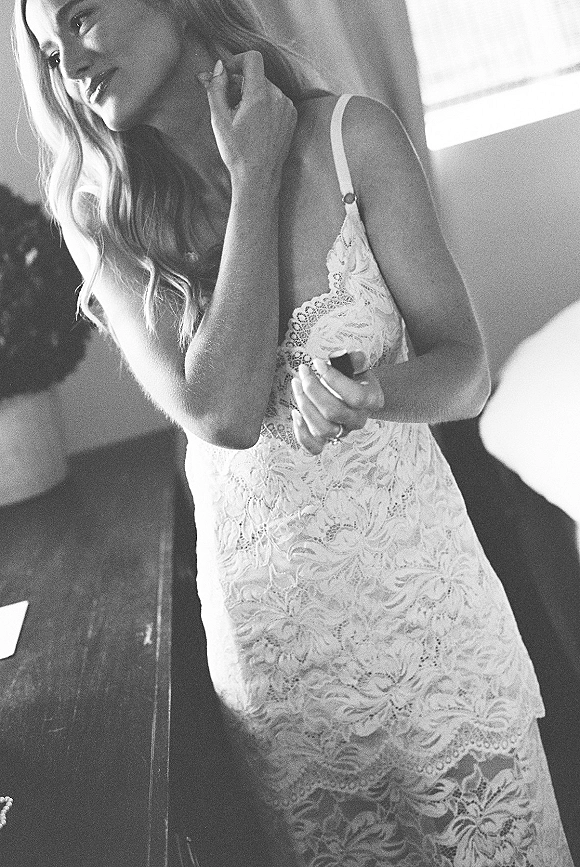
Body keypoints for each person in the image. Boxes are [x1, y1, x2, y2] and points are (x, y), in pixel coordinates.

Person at [14, 1, 573, 864]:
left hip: (430, 622)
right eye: (50, 54)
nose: (71, 66)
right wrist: (256, 176)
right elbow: (222, 412)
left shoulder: (355, 138)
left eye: (81, 18)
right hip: (282, 664)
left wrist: (376, 390)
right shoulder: (100, 220)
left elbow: (464, 372)